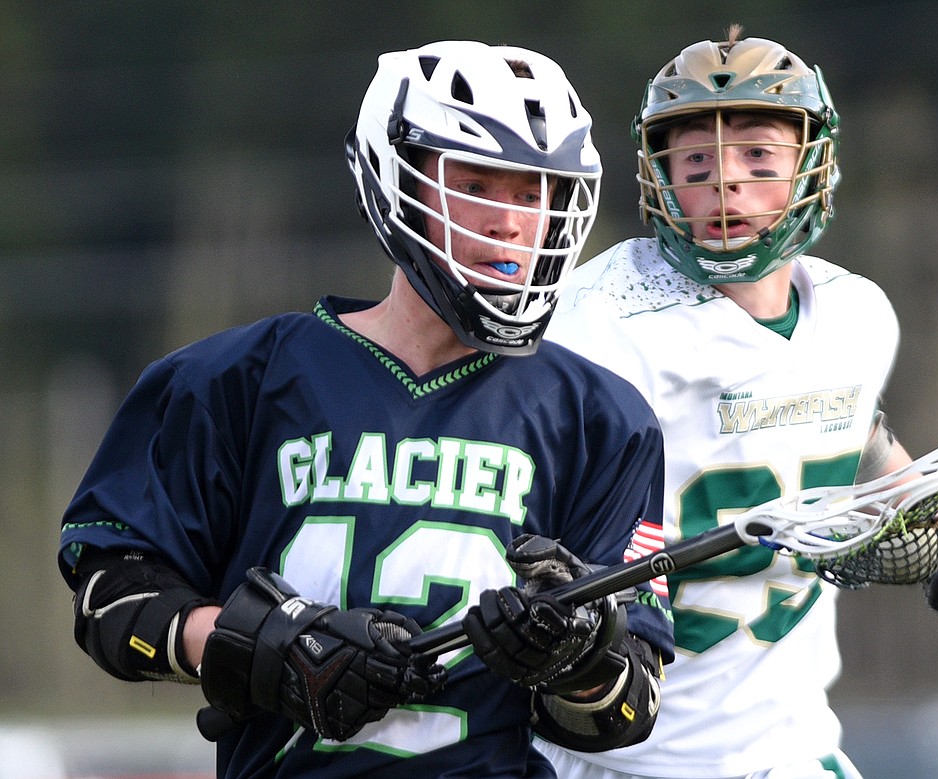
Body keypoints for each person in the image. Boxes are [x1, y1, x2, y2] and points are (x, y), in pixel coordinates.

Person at [57, 40, 673, 778]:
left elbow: (628, 707)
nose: (513, 222)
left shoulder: (600, 418)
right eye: (480, 182)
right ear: (397, 178)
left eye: (534, 192)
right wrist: (260, 643)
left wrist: (573, 652)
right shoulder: (237, 382)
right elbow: (110, 597)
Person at [540, 26, 938, 779]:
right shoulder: (597, 323)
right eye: (697, 159)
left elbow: (851, 442)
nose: (726, 181)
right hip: (625, 755)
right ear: (659, 174)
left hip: (790, 750)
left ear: (812, 164)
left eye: (758, 156)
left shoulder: (853, 313)